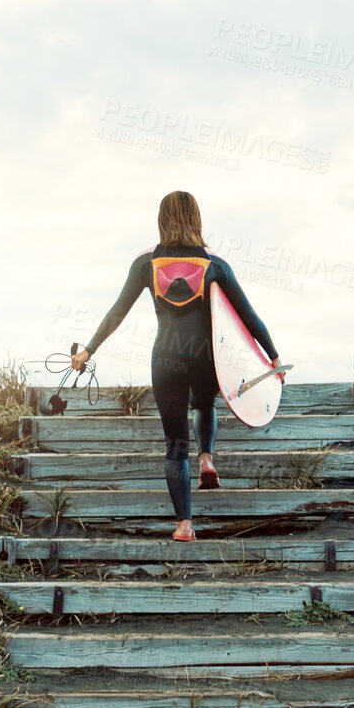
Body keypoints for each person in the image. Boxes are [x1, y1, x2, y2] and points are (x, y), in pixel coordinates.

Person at [71, 191, 280, 541]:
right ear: (196, 219)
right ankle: (207, 457)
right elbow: (247, 315)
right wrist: (272, 357)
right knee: (203, 402)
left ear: (162, 220)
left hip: (165, 358)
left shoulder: (145, 263)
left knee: (174, 444)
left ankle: (184, 525)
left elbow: (117, 313)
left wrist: (88, 350)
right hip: (205, 356)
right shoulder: (215, 265)